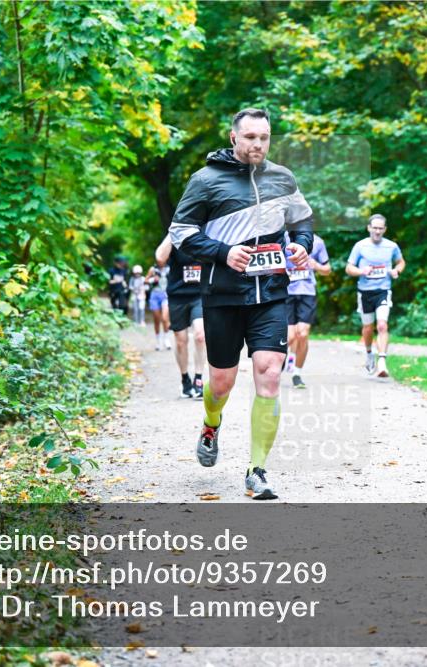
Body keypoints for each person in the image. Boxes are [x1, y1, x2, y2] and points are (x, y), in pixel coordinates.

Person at [169, 107, 313, 500]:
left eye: (264, 138)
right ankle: (211, 422)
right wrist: (221, 252)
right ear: (234, 138)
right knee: (221, 382)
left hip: (270, 292)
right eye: (250, 137)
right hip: (223, 296)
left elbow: (302, 222)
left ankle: (256, 470)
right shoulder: (206, 180)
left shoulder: (283, 178)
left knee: (269, 372)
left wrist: (300, 246)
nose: (258, 145)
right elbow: (181, 232)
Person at [346, 214, 405, 377]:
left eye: (380, 228)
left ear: (385, 229)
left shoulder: (391, 246)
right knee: (368, 328)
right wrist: (361, 271)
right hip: (365, 292)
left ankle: (382, 362)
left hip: (383, 291)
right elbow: (349, 268)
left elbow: (401, 262)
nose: (377, 231)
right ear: (369, 228)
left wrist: (396, 271)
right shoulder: (360, 246)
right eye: (375, 228)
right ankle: (369, 353)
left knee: (382, 325)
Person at [155, 234, 207, 398]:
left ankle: (198, 379)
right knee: (181, 341)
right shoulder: (176, 235)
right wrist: (173, 231)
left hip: (200, 294)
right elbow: (160, 259)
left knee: (200, 335)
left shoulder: (205, 231)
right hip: (178, 296)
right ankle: (185, 379)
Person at [285, 232, 331, 388]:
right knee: (290, 337)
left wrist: (316, 266)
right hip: (286, 292)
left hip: (307, 292)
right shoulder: (282, 238)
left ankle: (297, 374)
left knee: (302, 334)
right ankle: (279, 362)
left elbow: (327, 269)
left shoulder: (318, 242)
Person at [146, 264, 171, 350]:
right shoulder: (153, 269)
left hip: (165, 295)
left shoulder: (169, 268)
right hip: (155, 295)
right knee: (156, 319)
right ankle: (158, 341)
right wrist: (153, 279)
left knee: (165, 318)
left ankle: (166, 339)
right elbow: (145, 280)